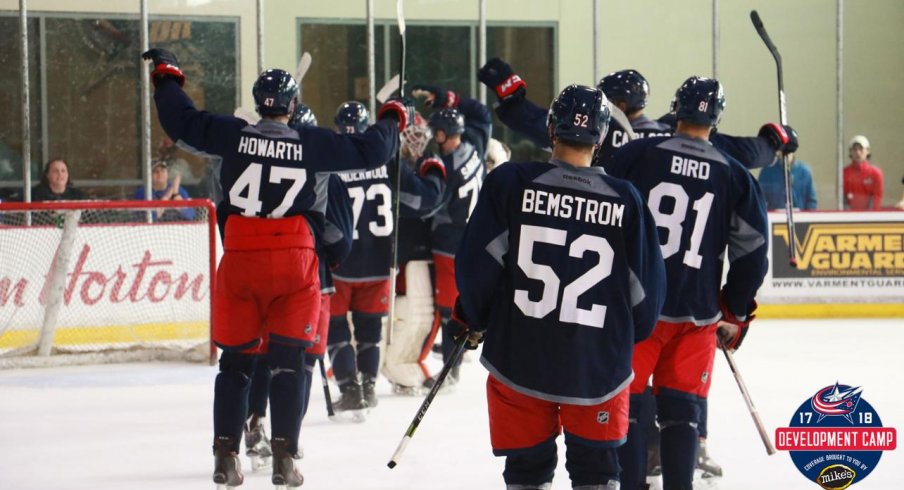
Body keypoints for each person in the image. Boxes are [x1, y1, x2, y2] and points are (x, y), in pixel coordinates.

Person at [142, 47, 410, 488]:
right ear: (291, 106)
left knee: (236, 364)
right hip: (295, 262)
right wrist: (391, 115)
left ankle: (227, 456)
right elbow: (373, 150)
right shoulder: (313, 142)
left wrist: (167, 76)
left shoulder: (232, 134)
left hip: (241, 258)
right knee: (288, 363)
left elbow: (181, 123)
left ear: (257, 99)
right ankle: (285, 458)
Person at [453, 84, 666, 489]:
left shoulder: (510, 183)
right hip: (597, 368)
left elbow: (477, 265)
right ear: (601, 137)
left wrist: (473, 317)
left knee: (526, 474)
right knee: (597, 474)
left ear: (551, 127)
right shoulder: (627, 200)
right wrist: (623, 338)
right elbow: (646, 299)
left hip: (519, 359)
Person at [605, 76, 770, 490]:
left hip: (637, 307)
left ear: (676, 108)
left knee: (629, 404)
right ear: (716, 117)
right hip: (696, 315)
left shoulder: (639, 154)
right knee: (682, 413)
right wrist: (734, 307)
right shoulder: (734, 173)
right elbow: (752, 253)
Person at [477, 58, 793, 171]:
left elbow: (544, 125)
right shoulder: (677, 134)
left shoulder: (605, 133)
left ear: (621, 105)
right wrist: (774, 142)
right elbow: (742, 152)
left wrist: (512, 100)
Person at [409, 83, 491, 390]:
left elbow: (433, 206)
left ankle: (449, 371)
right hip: (472, 238)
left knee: (447, 309)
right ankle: (453, 360)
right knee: (458, 302)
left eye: (436, 132)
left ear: (445, 133)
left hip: (449, 244)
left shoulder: (448, 167)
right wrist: (449, 97)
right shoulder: (475, 146)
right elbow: (482, 115)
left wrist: (418, 167)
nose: (433, 136)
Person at [843, 135, 884, 210]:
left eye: (861, 149)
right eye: (854, 149)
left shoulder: (875, 173)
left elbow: (876, 198)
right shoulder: (843, 173)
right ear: (850, 152)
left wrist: (869, 217)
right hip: (848, 218)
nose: (858, 152)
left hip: (869, 218)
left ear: (867, 151)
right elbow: (842, 199)